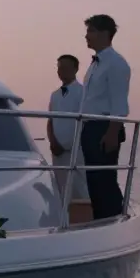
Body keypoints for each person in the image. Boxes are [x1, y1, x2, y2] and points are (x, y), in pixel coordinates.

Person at [79, 15, 132, 219]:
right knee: (93, 179)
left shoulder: (116, 64)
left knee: (105, 178)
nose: (86, 36)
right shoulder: (95, 64)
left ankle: (113, 219)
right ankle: (100, 218)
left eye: (90, 31)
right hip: (89, 126)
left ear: (104, 33)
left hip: (104, 127)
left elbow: (119, 102)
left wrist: (112, 132)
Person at [47, 54, 89, 205]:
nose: (61, 71)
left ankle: (82, 220)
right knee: (60, 187)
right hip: (57, 151)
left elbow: (85, 122)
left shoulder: (83, 93)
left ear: (75, 69)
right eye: (59, 68)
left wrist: (72, 144)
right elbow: (50, 120)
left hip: (77, 151)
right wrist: (52, 142)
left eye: (65, 67)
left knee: (80, 188)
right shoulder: (54, 95)